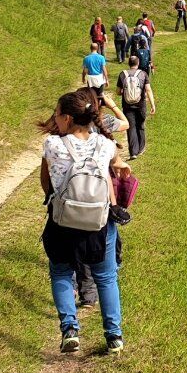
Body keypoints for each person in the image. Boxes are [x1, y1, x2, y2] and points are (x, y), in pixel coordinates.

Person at [39, 91, 131, 355]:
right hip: (99, 222)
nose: (55, 119)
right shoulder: (105, 144)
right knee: (106, 276)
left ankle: (70, 329)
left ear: (67, 118)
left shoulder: (53, 145)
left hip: (63, 222)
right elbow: (115, 168)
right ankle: (114, 335)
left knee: (61, 273)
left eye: (57, 115)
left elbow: (46, 184)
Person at [74, 89, 130, 308]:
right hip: (103, 188)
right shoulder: (104, 120)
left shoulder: (71, 127)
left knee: (79, 238)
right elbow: (125, 123)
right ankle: (111, 267)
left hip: (78, 189)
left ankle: (86, 290)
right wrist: (112, 104)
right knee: (107, 230)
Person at [117, 54, 157, 160]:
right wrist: (153, 104)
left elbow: (118, 92)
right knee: (140, 125)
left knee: (131, 127)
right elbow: (148, 90)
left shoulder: (122, 74)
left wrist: (126, 91)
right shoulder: (143, 74)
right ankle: (141, 148)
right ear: (138, 63)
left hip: (127, 105)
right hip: (141, 104)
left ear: (129, 63)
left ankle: (133, 153)